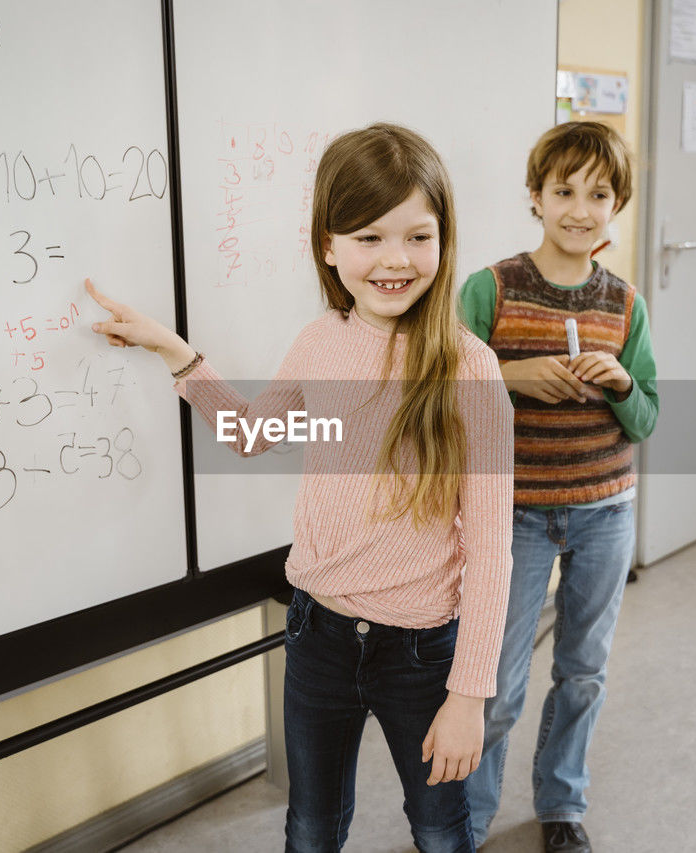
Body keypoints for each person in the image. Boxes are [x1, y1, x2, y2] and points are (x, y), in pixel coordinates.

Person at [85, 122, 514, 853]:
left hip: (422, 654)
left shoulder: (469, 369)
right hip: (317, 634)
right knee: (310, 827)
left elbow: (492, 550)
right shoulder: (321, 342)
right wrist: (174, 351)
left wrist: (470, 694)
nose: (395, 259)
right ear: (328, 245)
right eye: (369, 237)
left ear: (445, 241)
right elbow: (254, 436)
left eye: (418, 236)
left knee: (442, 828)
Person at [458, 121, 659, 853]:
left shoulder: (626, 304)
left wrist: (622, 383)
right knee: (498, 683)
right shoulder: (490, 289)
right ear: (535, 198)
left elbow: (646, 420)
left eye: (599, 193)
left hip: (606, 511)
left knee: (583, 671)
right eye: (563, 190)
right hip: (514, 516)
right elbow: (444, 398)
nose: (580, 207)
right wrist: (507, 378)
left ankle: (561, 803)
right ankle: (467, 817)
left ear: (618, 203)